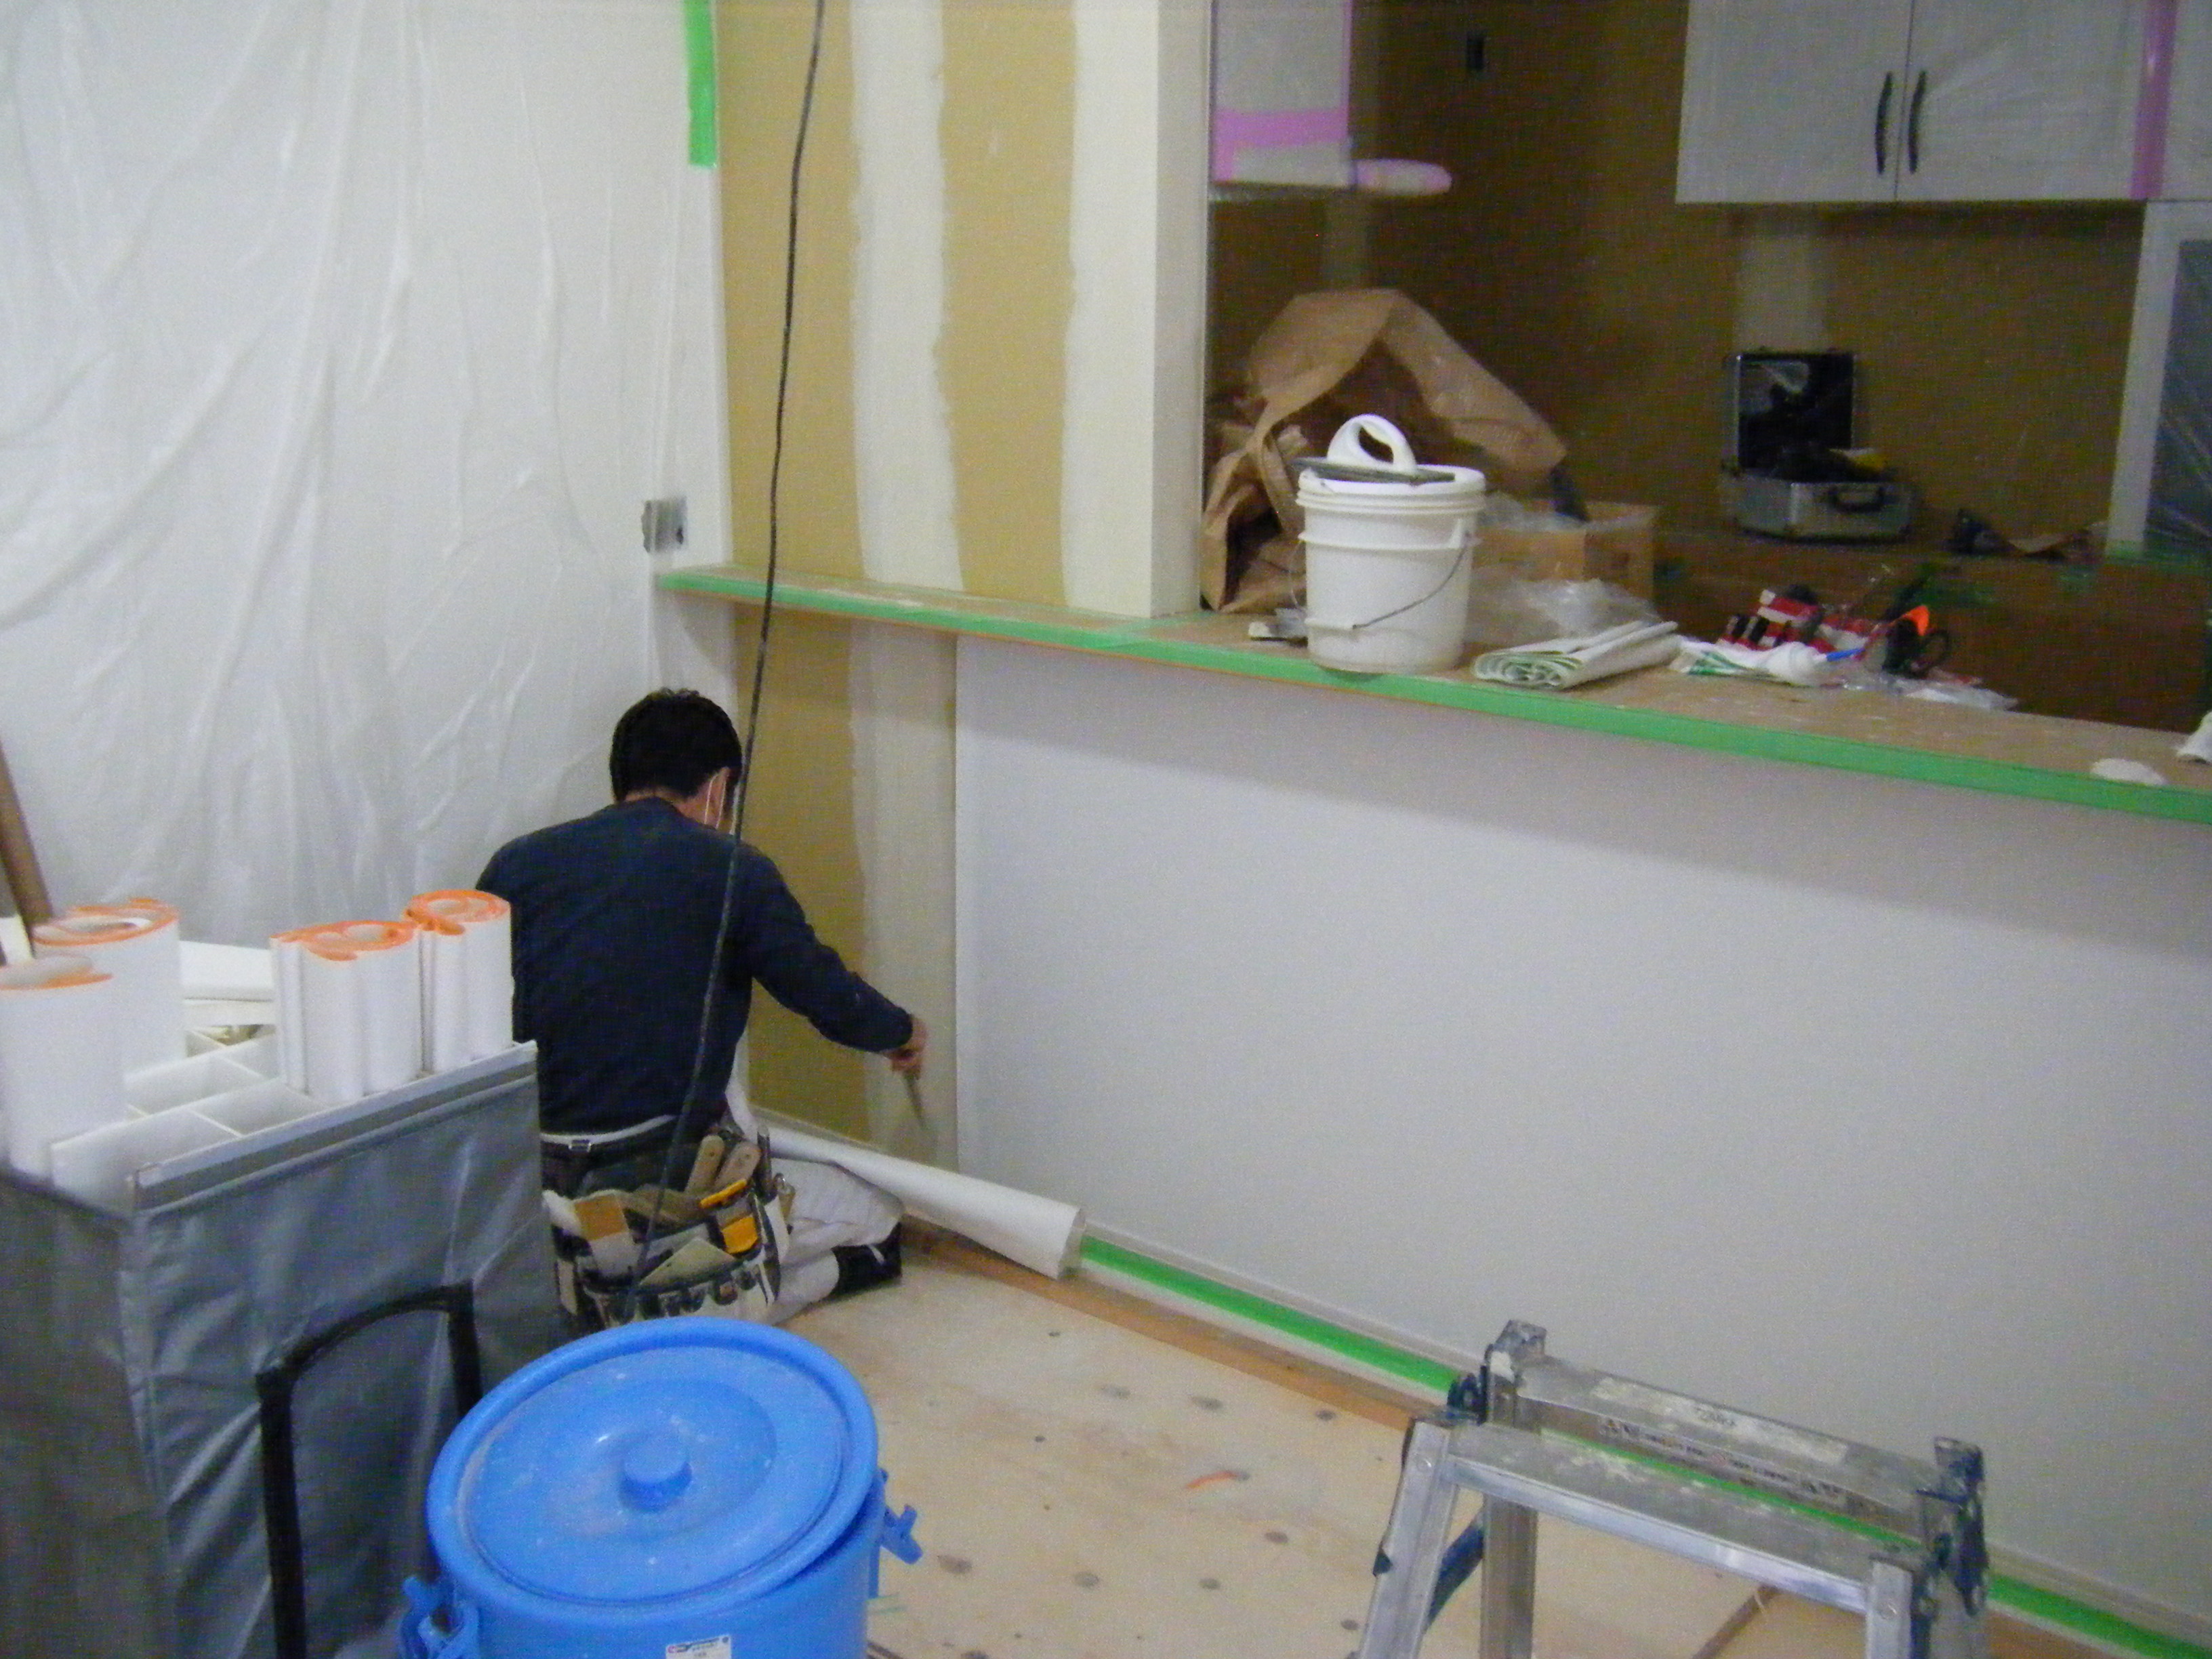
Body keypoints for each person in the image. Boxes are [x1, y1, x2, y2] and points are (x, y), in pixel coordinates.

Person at [479, 689, 924, 1193]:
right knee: (870, 1208)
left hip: (528, 1163)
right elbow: (818, 987)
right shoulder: (733, 868)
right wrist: (900, 1032)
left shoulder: (517, 861)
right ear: (719, 787)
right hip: (652, 1165)